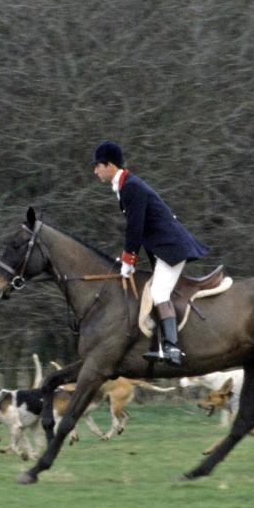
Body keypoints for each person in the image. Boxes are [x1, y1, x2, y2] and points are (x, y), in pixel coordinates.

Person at [92, 140, 209, 366]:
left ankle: (173, 349)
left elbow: (135, 228)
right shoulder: (126, 185)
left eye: (97, 165)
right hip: (164, 249)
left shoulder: (131, 186)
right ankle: (160, 342)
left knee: (159, 293)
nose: (95, 170)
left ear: (109, 165)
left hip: (171, 248)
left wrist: (128, 260)